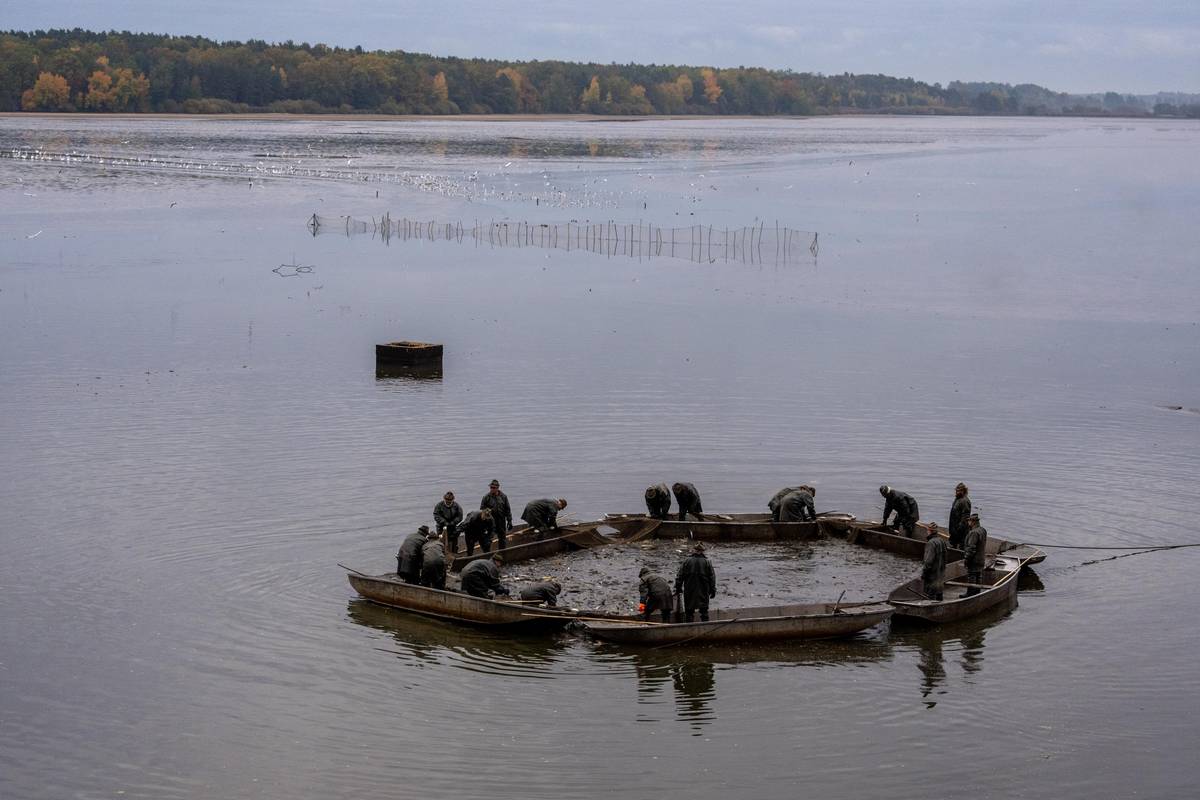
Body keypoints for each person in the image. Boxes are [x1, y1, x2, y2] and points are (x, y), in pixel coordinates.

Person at [675, 543, 716, 622]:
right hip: (703, 590)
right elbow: (712, 578)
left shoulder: (687, 561)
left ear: (694, 550)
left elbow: (679, 576)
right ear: (702, 551)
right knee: (704, 611)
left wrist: (678, 588)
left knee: (689, 611)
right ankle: (706, 626)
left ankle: (690, 627)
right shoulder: (707, 562)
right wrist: (713, 590)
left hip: (689, 590)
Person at [480, 480, 513, 550]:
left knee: (502, 538)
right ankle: (487, 553)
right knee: (489, 538)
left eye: (494, 488)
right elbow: (482, 509)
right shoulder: (486, 497)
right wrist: (486, 514)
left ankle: (502, 553)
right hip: (490, 522)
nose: (492, 489)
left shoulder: (503, 496)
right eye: (491, 487)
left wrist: (509, 521)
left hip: (501, 521)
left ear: (498, 488)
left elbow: (507, 509)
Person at [962, 513, 988, 597]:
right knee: (978, 576)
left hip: (974, 560)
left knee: (972, 576)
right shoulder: (983, 530)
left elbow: (971, 549)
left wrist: (966, 559)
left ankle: (970, 593)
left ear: (973, 522)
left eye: (969, 521)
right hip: (981, 558)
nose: (968, 522)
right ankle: (977, 592)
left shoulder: (973, 533)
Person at [922, 522, 947, 600]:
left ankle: (930, 605)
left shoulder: (931, 543)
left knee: (930, 595)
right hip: (940, 572)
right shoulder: (942, 541)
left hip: (932, 574)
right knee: (939, 592)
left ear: (929, 531)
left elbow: (928, 561)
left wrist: (924, 572)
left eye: (927, 530)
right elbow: (945, 557)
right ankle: (940, 604)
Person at [948, 482, 972, 550]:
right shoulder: (957, 499)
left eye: (959, 491)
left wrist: (960, 527)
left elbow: (965, 516)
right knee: (953, 542)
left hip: (960, 527)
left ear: (963, 491)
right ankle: (954, 549)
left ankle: (960, 552)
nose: (957, 492)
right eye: (956, 490)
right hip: (954, 525)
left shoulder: (965, 501)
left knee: (961, 543)